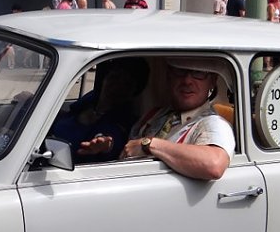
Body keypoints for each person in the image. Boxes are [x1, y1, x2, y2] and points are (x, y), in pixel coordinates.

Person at [80, 58, 234, 180]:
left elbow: (214, 164)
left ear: (212, 81)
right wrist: (109, 146)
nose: (187, 81)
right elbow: (131, 146)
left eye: (198, 73)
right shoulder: (156, 114)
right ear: (169, 76)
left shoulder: (213, 124)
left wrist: (150, 145)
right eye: (180, 71)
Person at [51, 58, 149, 161]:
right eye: (114, 77)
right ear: (105, 77)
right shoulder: (90, 99)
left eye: (126, 84)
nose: (116, 87)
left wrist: (105, 145)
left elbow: (112, 142)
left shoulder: (124, 122)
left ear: (134, 92)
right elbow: (68, 115)